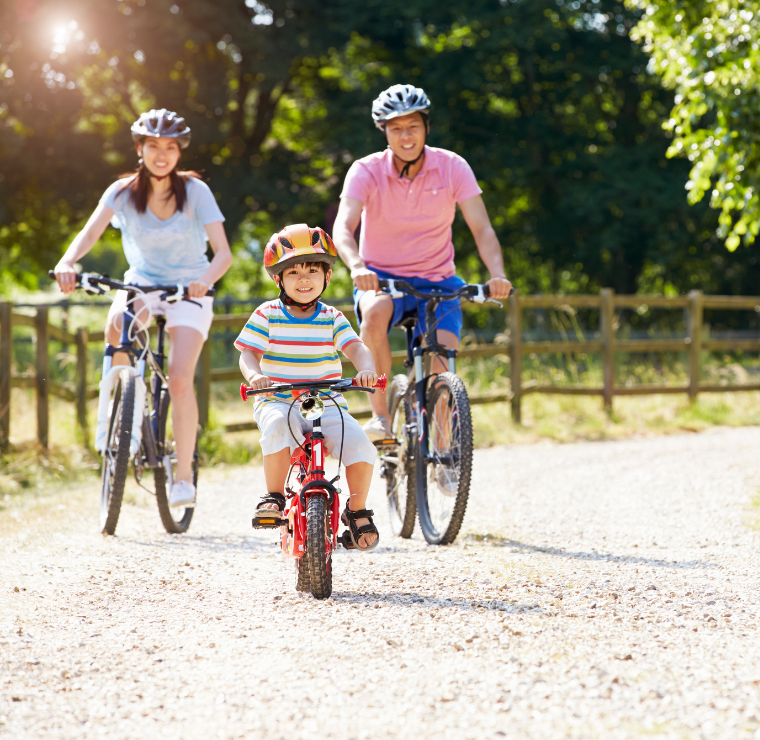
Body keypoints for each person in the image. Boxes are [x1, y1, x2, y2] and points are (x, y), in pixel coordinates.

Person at [54, 108, 232, 507]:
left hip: (190, 287)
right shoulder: (121, 192)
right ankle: (120, 424)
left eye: (170, 147)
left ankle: (183, 477)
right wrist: (68, 262)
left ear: (179, 152)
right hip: (143, 282)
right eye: (153, 146)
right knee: (117, 322)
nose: (162, 154)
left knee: (179, 378)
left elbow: (223, 254)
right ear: (140, 149)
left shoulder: (196, 192)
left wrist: (204, 281)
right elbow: (89, 234)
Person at [332, 84, 513, 441]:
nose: (406, 135)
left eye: (413, 126)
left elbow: (482, 228)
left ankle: (444, 444)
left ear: (426, 126)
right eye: (396, 128)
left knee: (443, 355)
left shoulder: (452, 167)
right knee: (375, 313)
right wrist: (356, 266)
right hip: (381, 278)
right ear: (384, 131)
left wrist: (498, 274)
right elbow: (343, 227)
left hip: (439, 280)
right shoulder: (365, 171)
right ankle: (381, 416)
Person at [235, 224, 380, 550]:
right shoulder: (267, 313)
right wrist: (255, 376)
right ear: (278, 279)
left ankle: (356, 510)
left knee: (360, 445)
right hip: (279, 398)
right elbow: (248, 353)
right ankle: (273, 495)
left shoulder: (331, 317)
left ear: (327, 276)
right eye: (294, 272)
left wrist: (366, 369)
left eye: (313, 270)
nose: (304, 279)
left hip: (324, 399)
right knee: (274, 426)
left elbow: (355, 348)